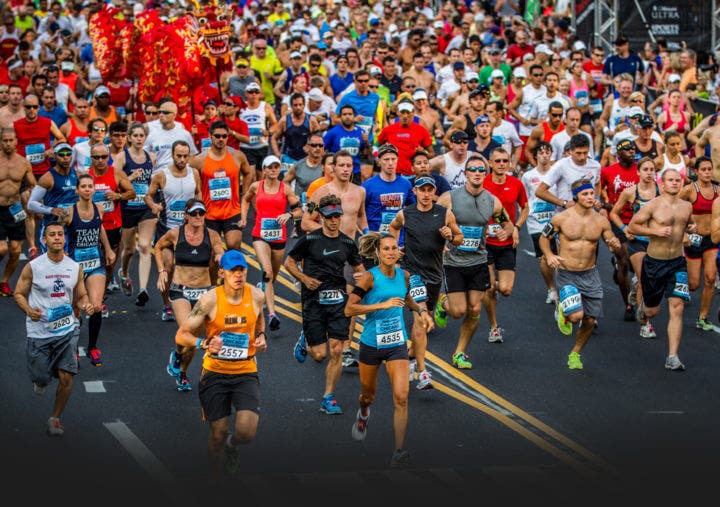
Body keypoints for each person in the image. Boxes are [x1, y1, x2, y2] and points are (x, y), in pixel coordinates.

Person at [174, 249, 266, 478]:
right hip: (215, 373)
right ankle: (215, 483)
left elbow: (259, 317)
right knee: (217, 433)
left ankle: (232, 445)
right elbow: (181, 334)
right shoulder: (209, 300)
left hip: (246, 370)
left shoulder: (256, 296)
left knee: (246, 432)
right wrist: (204, 343)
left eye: (242, 270)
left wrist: (262, 336)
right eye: (233, 270)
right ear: (222, 273)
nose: (239, 275)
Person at [344, 232, 434, 468]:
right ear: (378, 253)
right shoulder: (368, 279)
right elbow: (349, 309)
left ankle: (398, 451)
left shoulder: (404, 276)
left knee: (402, 397)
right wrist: (381, 305)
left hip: (396, 345)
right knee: (368, 396)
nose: (391, 252)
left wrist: (422, 312)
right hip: (371, 345)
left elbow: (407, 300)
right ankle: (363, 413)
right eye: (386, 249)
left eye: (394, 248)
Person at [284, 194, 364, 413]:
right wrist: (304, 279)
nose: (333, 221)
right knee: (319, 355)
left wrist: (361, 282)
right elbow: (289, 262)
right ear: (321, 217)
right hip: (313, 301)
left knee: (337, 350)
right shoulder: (310, 240)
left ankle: (328, 397)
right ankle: (305, 340)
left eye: (337, 216)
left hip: (338, 301)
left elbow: (359, 270)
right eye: (329, 217)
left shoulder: (348, 243)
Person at [13, 222, 94, 436]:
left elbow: (81, 295)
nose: (57, 237)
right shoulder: (34, 266)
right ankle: (40, 380)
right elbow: (18, 293)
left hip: (67, 329)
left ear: (64, 239)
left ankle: (55, 418)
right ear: (44, 240)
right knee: (41, 378)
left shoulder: (74, 267)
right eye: (52, 235)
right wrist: (29, 310)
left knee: (67, 376)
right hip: (39, 331)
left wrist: (85, 304)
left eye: (60, 234)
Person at [434, 156, 512, 369]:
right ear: (466, 173)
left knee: (475, 310)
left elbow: (507, 221)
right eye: (472, 169)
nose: (477, 172)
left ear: (485, 174)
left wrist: (507, 232)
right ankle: (442, 304)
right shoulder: (449, 198)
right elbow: (432, 220)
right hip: (454, 262)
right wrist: (440, 242)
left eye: (481, 169)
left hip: (478, 261)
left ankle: (459, 352)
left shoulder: (492, 201)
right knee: (458, 311)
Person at [389, 176, 462, 389]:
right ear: (415, 191)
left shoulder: (444, 213)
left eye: (430, 190)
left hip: (435, 275)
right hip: (413, 274)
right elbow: (393, 227)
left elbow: (459, 237)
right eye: (422, 190)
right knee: (421, 318)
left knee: (423, 316)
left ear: (434, 192)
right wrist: (395, 246)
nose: (426, 193)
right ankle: (422, 371)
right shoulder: (406, 213)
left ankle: (411, 355)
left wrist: (451, 236)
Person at [540, 179, 621, 370]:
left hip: (590, 274)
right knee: (576, 316)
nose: (590, 197)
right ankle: (564, 312)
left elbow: (610, 239)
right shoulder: (561, 218)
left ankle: (575, 353)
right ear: (576, 196)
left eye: (592, 194)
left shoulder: (601, 220)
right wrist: (550, 255)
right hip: (567, 274)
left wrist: (614, 244)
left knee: (590, 320)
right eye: (585, 194)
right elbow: (544, 239)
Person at [301, 150, 369, 367]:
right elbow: (305, 222)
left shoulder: (360, 191)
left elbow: (361, 218)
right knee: (326, 300)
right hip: (324, 254)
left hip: (349, 253)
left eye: (349, 165)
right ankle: (311, 334)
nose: (346, 169)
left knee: (351, 299)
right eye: (342, 165)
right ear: (333, 168)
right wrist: (330, 234)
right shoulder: (321, 192)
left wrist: (368, 236)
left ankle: (347, 348)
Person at [627, 168, 697, 371]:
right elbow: (632, 226)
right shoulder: (653, 206)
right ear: (662, 183)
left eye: (678, 180)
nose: (675, 183)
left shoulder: (686, 206)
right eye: (671, 180)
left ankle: (672, 356)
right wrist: (654, 231)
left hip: (677, 262)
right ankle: (643, 310)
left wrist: (691, 229)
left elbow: (690, 225)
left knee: (677, 307)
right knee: (652, 310)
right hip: (655, 263)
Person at [156, 198, 225, 391]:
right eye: (194, 214)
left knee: (193, 339)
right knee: (187, 330)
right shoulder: (175, 234)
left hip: (203, 292)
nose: (198, 217)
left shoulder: (211, 235)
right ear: (186, 216)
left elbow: (219, 249)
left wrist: (220, 256)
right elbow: (158, 247)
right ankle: (178, 354)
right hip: (181, 290)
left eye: (201, 213)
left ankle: (182, 370)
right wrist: (162, 270)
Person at [240, 155, 302, 331]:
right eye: (270, 167)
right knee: (267, 272)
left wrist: (289, 215)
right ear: (264, 170)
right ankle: (272, 315)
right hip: (259, 235)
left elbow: (299, 211)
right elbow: (245, 200)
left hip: (279, 237)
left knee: (272, 277)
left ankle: (264, 289)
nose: (274, 170)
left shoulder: (285, 189)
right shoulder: (256, 186)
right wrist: (244, 218)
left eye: (277, 167)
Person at [60, 173, 116, 366]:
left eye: (90, 186)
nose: (86, 189)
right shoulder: (68, 212)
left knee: (96, 306)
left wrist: (108, 249)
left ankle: (92, 347)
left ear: (94, 189)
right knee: (76, 310)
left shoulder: (99, 208)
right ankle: (73, 348)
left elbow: (99, 228)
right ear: (77, 190)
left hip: (95, 264)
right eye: (83, 186)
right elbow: (57, 233)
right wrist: (63, 252)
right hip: (75, 268)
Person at [145, 140, 202, 321]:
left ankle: (189, 302)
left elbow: (198, 193)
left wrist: (199, 210)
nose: (182, 159)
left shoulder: (194, 173)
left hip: (189, 231)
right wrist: (154, 206)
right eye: (179, 156)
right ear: (172, 155)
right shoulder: (162, 175)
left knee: (191, 269)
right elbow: (148, 195)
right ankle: (167, 305)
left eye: (186, 156)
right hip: (167, 229)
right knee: (168, 267)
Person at [480, 147, 528, 343]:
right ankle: (494, 327)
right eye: (497, 161)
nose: (501, 164)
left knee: (506, 290)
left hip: (507, 243)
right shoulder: (482, 184)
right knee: (490, 289)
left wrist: (516, 227)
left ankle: (487, 285)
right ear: (490, 164)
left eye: (505, 161)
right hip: (485, 244)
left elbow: (525, 207)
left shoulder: (516, 184)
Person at [609, 157, 660, 338]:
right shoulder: (631, 192)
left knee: (652, 280)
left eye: (652, 169)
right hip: (636, 240)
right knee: (644, 277)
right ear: (638, 172)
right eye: (645, 169)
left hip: (656, 239)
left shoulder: (661, 191)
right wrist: (624, 229)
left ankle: (636, 288)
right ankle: (645, 324)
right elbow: (614, 213)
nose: (649, 173)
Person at [189, 120, 253, 256]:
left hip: (232, 211)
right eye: (217, 136)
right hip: (210, 213)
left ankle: (230, 276)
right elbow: (190, 178)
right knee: (213, 252)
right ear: (210, 136)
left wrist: (244, 193)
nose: (221, 139)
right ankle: (213, 277)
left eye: (224, 136)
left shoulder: (237, 156)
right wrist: (197, 198)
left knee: (233, 245)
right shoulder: (200, 160)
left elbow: (248, 173)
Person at [113, 122, 157, 306]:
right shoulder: (122, 158)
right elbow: (113, 182)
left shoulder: (151, 157)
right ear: (129, 138)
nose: (139, 139)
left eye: (142, 136)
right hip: (128, 207)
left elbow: (152, 181)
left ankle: (143, 290)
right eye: (136, 135)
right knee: (129, 249)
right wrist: (130, 178)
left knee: (145, 246)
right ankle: (123, 273)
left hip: (145, 206)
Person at [678, 157, 719, 331]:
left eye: (710, 169)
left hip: (711, 239)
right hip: (694, 240)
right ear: (696, 171)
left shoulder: (718, 190)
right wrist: (684, 232)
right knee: (694, 284)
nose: (707, 172)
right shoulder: (689, 190)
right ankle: (676, 280)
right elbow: (675, 208)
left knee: (710, 278)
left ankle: (703, 317)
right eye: (703, 169)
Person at [521, 141, 559, 304]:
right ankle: (551, 289)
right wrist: (525, 213)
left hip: (557, 219)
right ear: (535, 156)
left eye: (547, 152)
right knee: (544, 256)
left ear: (551, 154)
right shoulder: (528, 176)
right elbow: (523, 198)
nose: (544, 155)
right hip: (536, 221)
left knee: (559, 255)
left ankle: (563, 287)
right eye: (541, 152)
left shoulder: (557, 173)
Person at [0, 128, 36, 296]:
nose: (8, 143)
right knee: (1, 249)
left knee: (15, 250)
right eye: (4, 140)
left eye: (10, 140)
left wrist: (35, 200)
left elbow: (33, 185)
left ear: (16, 141)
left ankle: (4, 281)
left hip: (14, 209)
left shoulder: (23, 163)